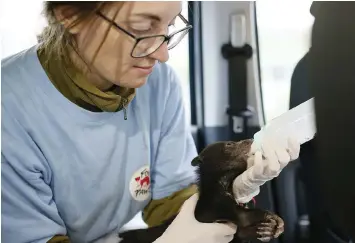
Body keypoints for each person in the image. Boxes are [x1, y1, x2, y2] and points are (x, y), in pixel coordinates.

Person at [1, 1, 301, 243]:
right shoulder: (9, 107)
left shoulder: (158, 83)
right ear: (69, 15)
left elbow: (171, 199)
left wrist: (229, 197)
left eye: (169, 28)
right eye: (143, 28)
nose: (162, 54)